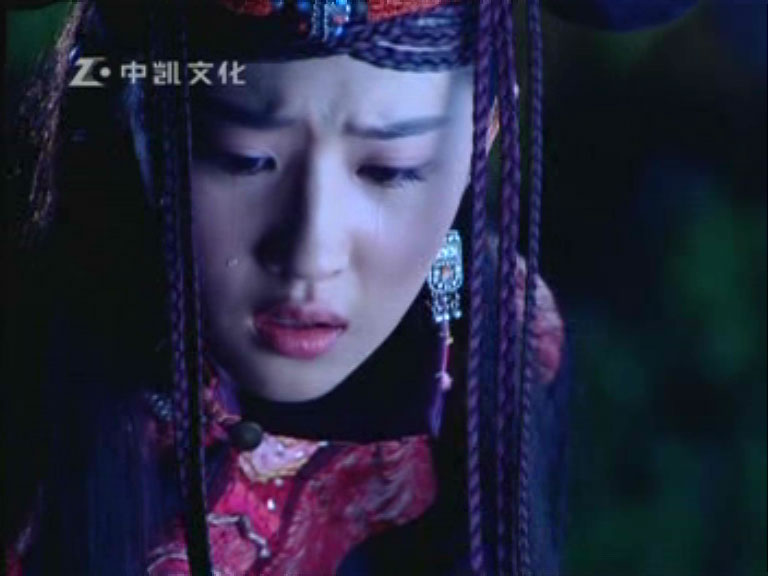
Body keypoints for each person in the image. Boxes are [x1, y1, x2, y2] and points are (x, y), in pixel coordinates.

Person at [3, 1, 571, 574]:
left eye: (392, 170)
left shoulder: (507, 346)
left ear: (485, 134)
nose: (311, 254)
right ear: (137, 120)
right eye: (245, 160)